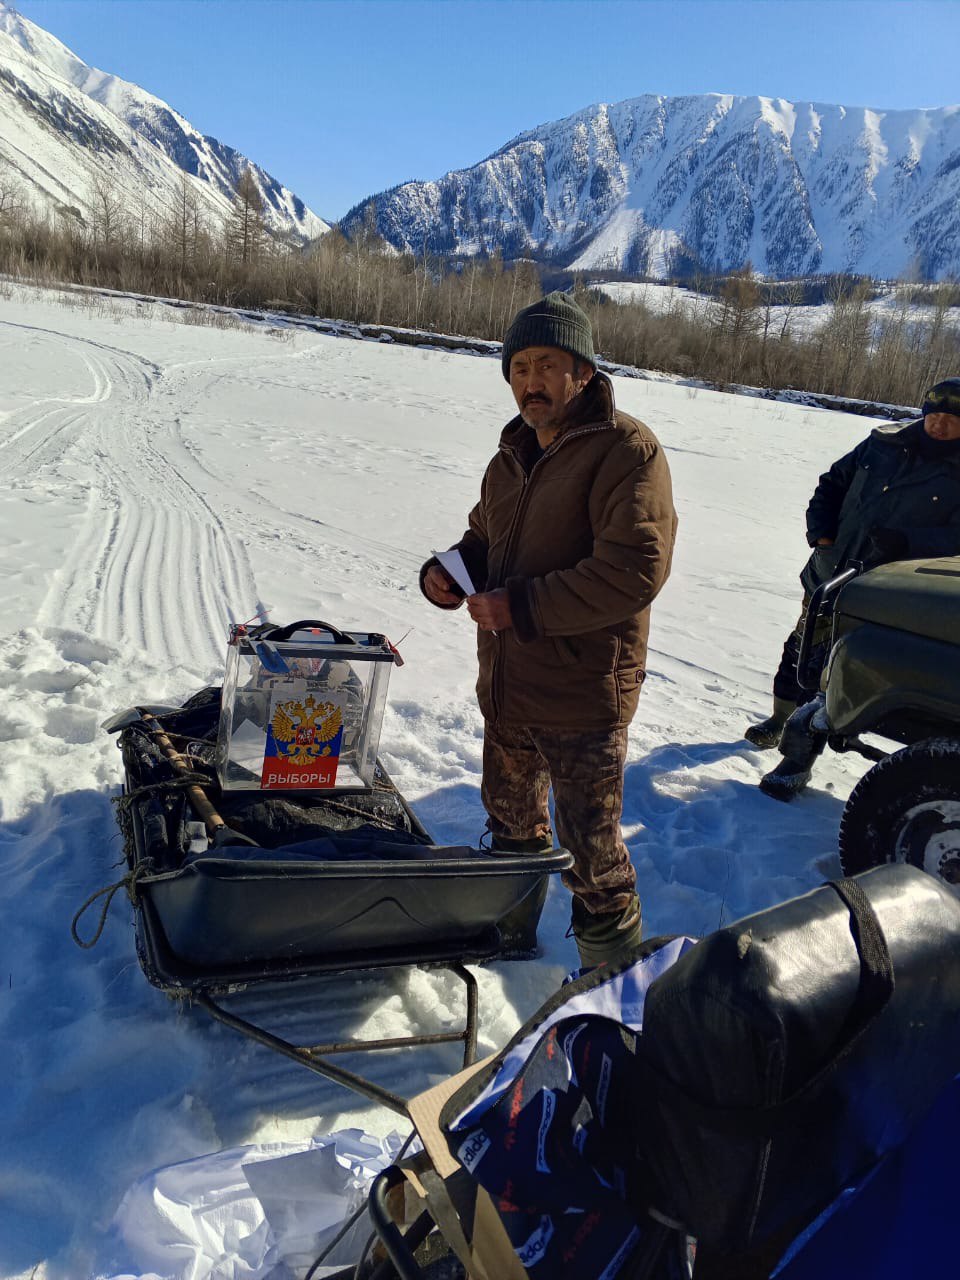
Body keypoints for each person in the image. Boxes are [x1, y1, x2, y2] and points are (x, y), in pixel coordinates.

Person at [420, 293, 677, 967]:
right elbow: (485, 539)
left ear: (584, 372)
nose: (531, 381)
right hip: (509, 686)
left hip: (581, 694)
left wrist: (522, 607)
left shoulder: (627, 452)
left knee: (592, 853)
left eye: (548, 365)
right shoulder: (510, 457)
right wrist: (446, 574)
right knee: (509, 816)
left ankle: (612, 981)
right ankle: (508, 935)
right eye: (520, 367)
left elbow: (632, 569)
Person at [747, 376, 960, 799]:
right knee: (800, 648)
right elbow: (832, 484)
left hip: (890, 596)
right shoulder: (883, 443)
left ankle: (797, 759)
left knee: (843, 669)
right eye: (934, 415)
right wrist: (821, 532)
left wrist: (908, 546)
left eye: (951, 421)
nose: (939, 426)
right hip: (831, 571)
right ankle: (778, 718)